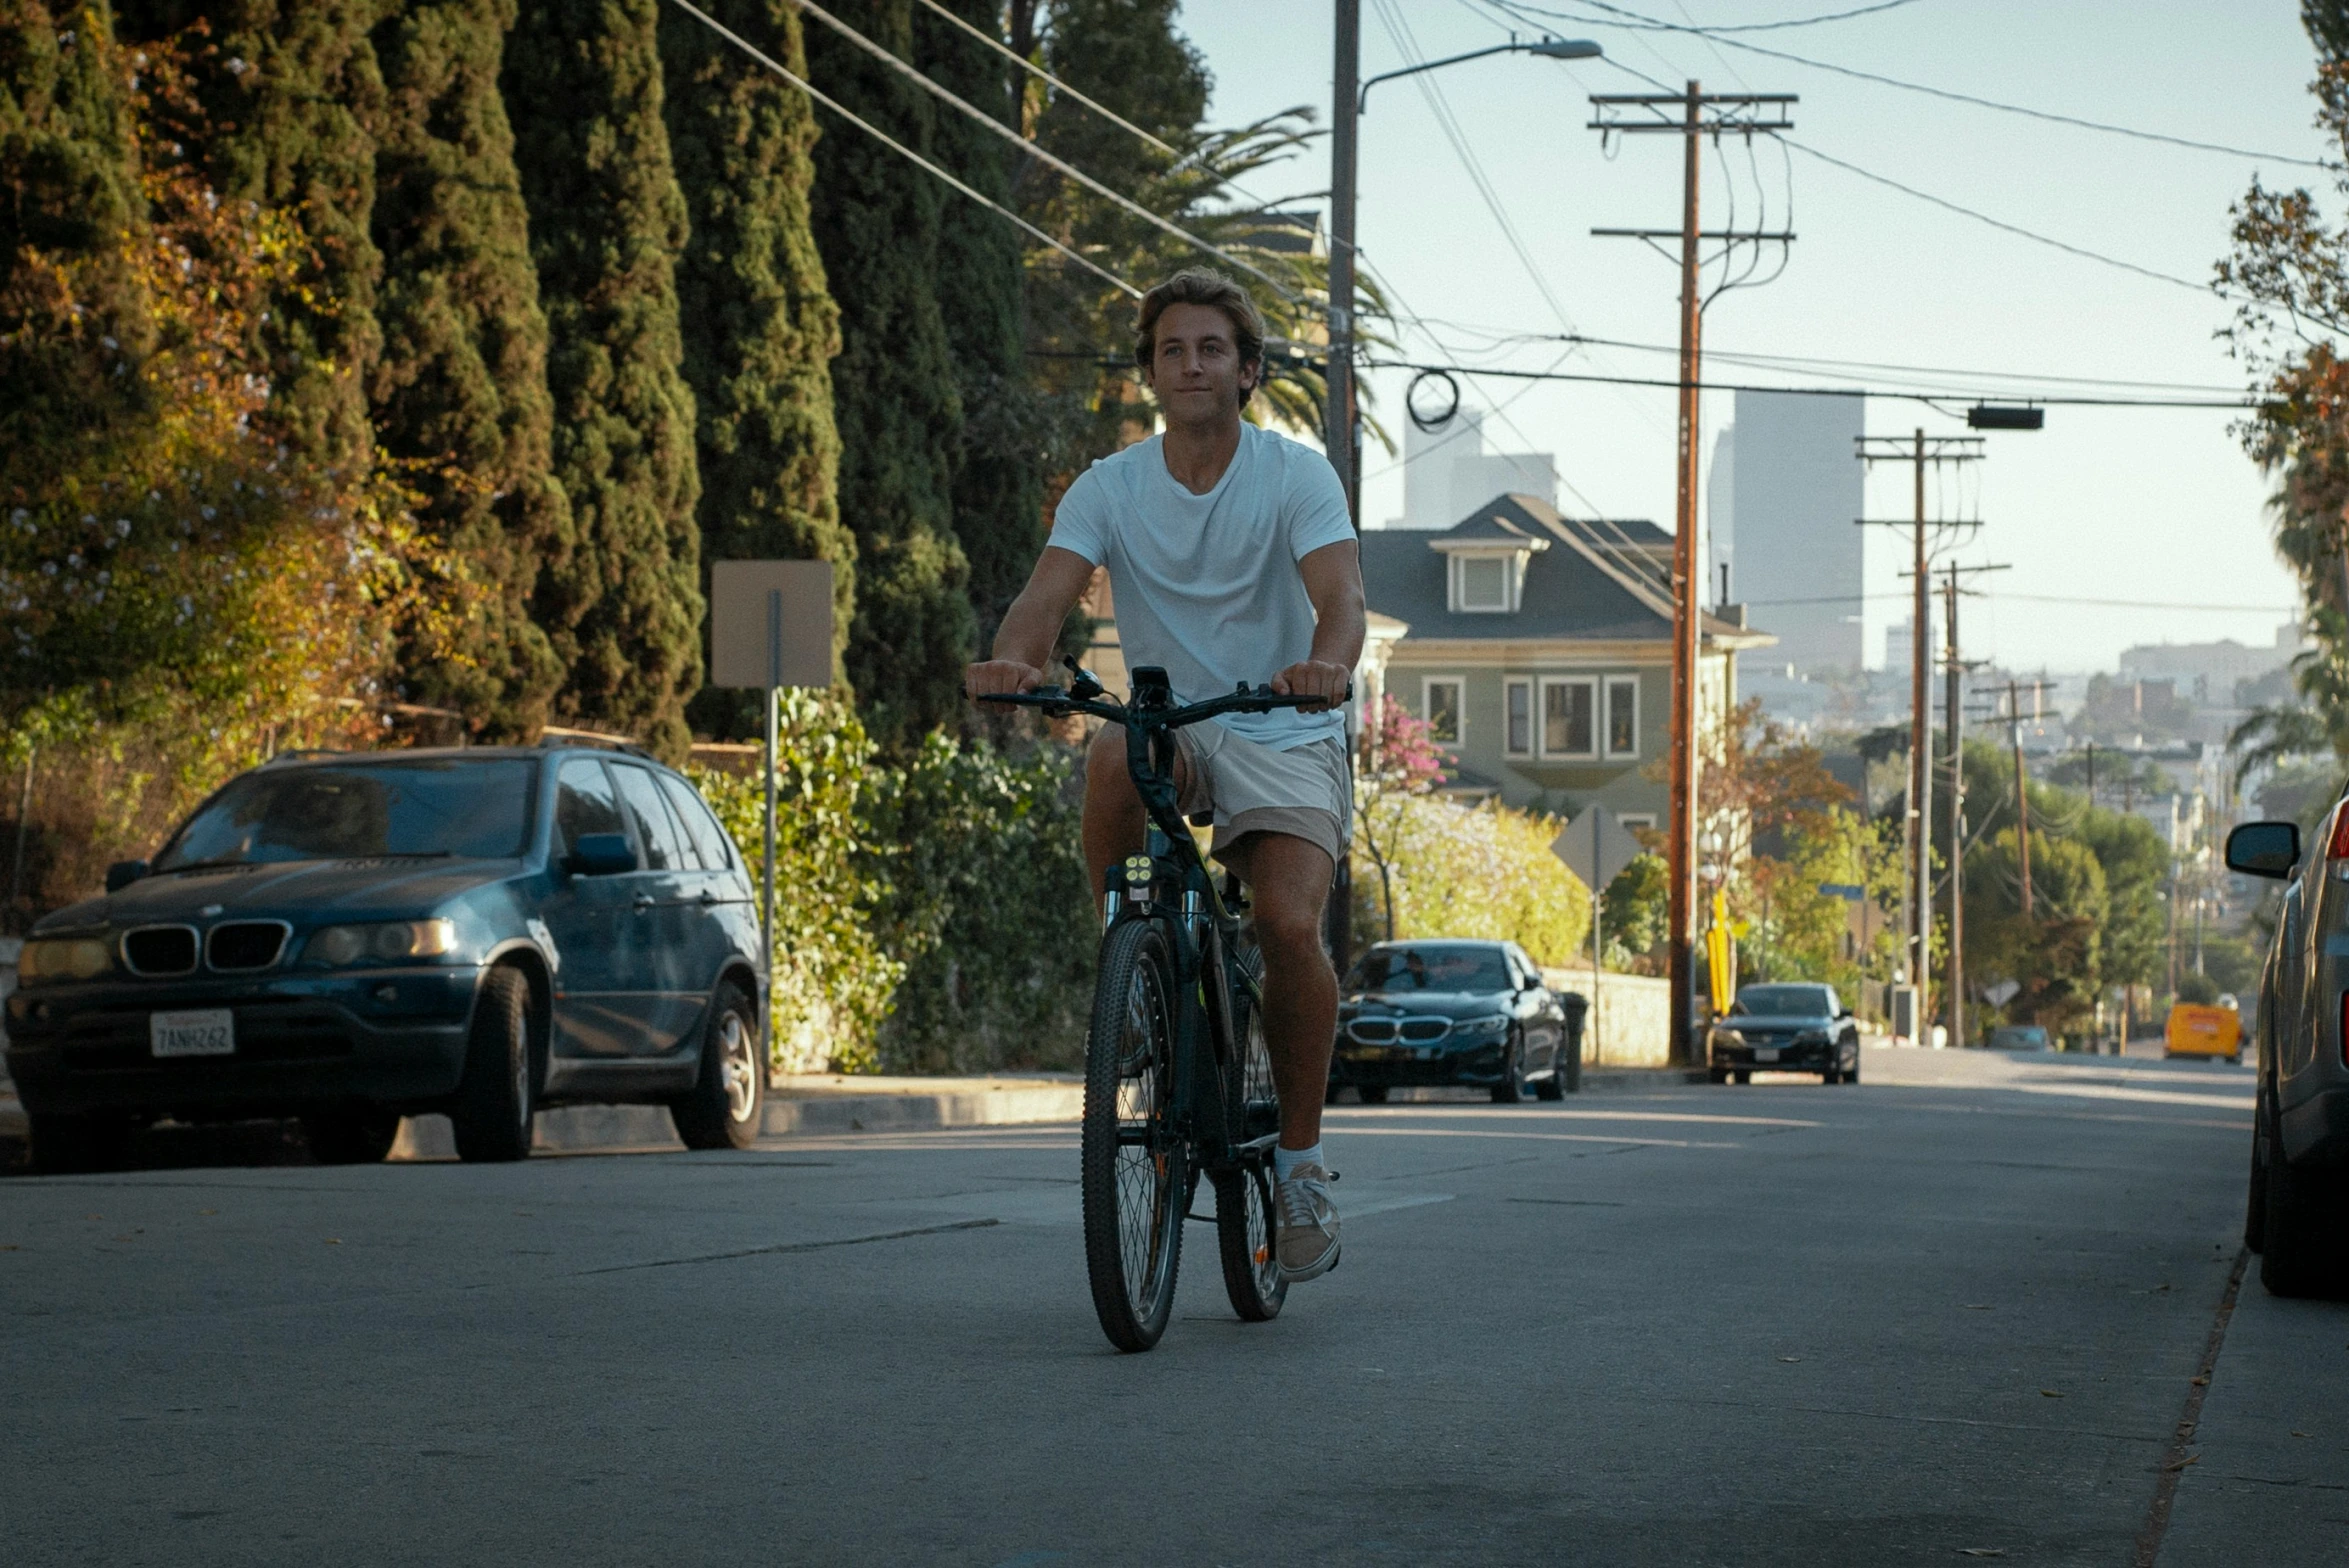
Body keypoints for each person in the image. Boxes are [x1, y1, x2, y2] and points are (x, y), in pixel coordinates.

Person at [964, 268, 1364, 1282]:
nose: (1191, 364)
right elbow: (1042, 599)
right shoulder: (1109, 485)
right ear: (1151, 372)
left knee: (1283, 922)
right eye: (1172, 349)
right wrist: (1017, 658)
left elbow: (1341, 598)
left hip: (1282, 722)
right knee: (1109, 748)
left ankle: (1304, 1159)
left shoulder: (1294, 475)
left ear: (1249, 370)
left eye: (1212, 348)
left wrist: (1328, 664)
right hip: (1174, 722)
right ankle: (1131, 969)